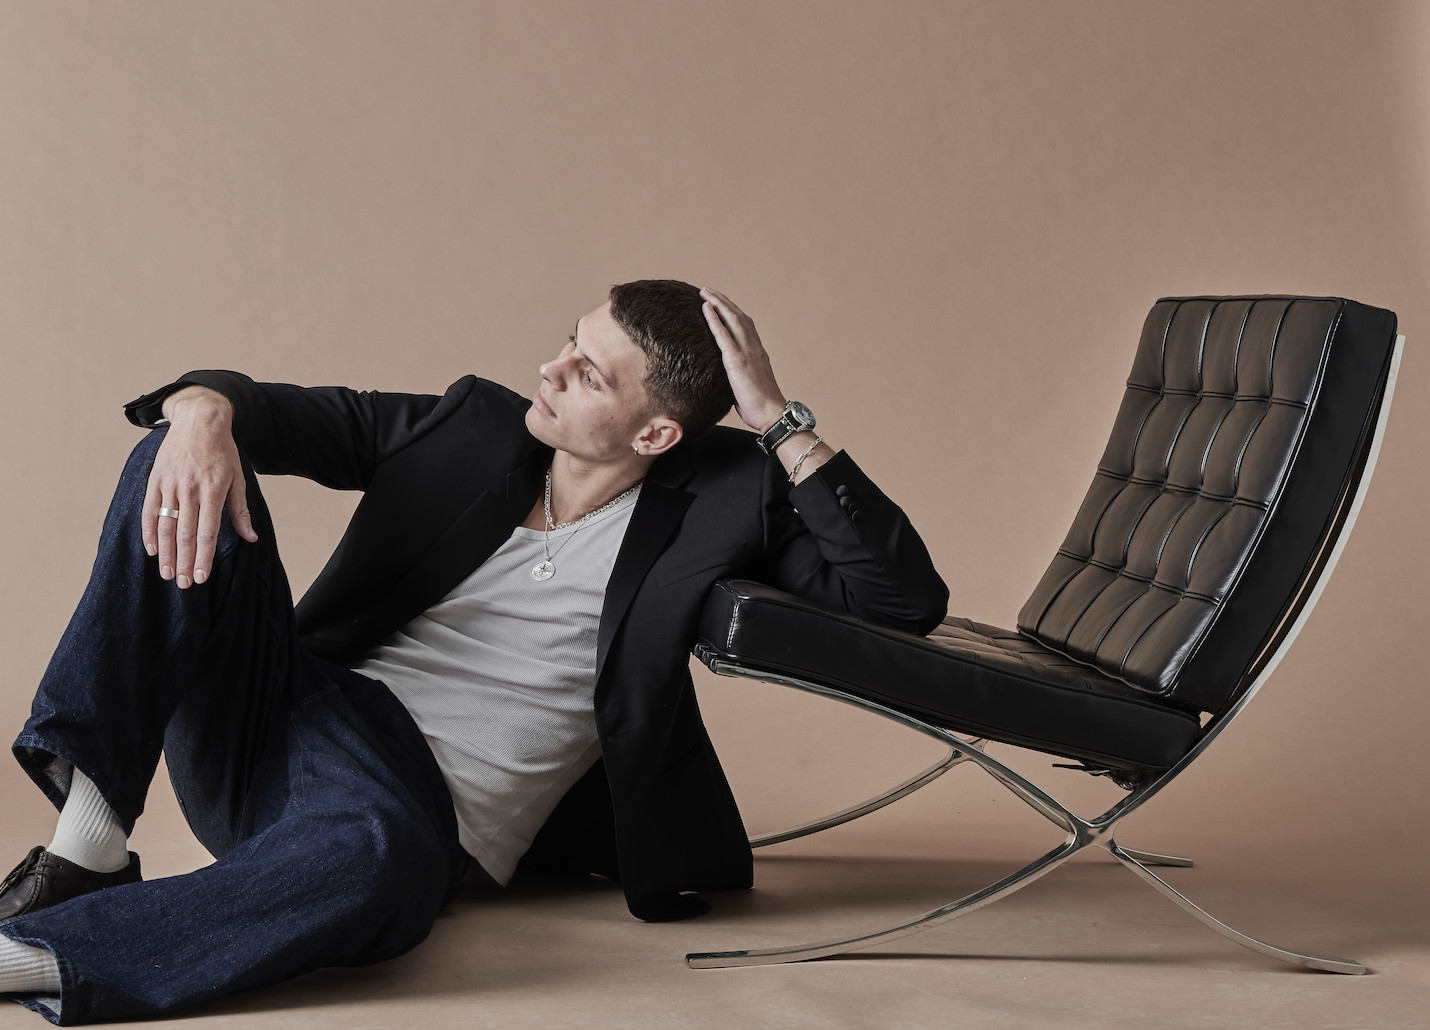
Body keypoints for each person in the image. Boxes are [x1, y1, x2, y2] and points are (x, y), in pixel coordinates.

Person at [0, 281, 947, 1023]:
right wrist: (204, 411)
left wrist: (777, 416)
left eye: (589, 374)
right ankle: (87, 844)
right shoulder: (471, 427)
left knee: (379, 865)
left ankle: (38, 958)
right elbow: (273, 414)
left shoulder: (726, 504)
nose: (552, 368)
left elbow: (900, 599)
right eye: (571, 342)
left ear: (657, 432)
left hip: (406, 807)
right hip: (287, 713)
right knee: (180, 463)